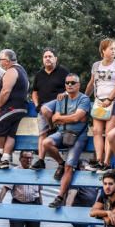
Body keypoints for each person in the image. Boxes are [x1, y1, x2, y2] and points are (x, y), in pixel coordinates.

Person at [44, 74, 92, 208]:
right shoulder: (61, 98)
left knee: (70, 166)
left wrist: (63, 118)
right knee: (46, 143)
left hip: (78, 135)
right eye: (67, 83)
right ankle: (60, 162)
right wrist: (71, 118)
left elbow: (77, 118)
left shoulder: (84, 99)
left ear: (78, 85)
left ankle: (59, 197)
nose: (69, 85)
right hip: (62, 132)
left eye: (73, 83)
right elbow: (54, 119)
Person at [0, 151, 42, 227]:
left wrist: (41, 208)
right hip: (18, 204)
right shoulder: (15, 171)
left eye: (30, 158)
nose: (28, 160)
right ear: (20, 159)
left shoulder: (35, 172)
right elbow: (6, 187)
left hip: (34, 205)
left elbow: (39, 191)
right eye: (26, 158)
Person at [86, 38, 115, 171]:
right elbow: (92, 82)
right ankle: (99, 159)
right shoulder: (96, 65)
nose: (113, 51)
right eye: (111, 48)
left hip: (114, 101)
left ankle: (107, 162)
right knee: (96, 131)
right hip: (99, 100)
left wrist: (110, 98)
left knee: (109, 132)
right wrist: (85, 96)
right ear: (103, 50)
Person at [0, 49, 30, 169]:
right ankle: (5, 159)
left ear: (7, 61)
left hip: (11, 107)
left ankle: (0, 153)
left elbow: (5, 91)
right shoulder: (22, 70)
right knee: (10, 134)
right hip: (20, 108)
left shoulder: (12, 71)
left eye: (0, 59)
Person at [31, 48, 69, 152]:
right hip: (42, 108)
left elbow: (72, 88)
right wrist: (36, 105)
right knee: (42, 134)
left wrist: (65, 93)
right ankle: (41, 160)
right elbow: (34, 92)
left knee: (45, 109)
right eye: (45, 57)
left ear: (55, 58)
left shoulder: (63, 72)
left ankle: (52, 128)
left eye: (50, 56)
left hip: (59, 107)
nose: (47, 59)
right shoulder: (39, 74)